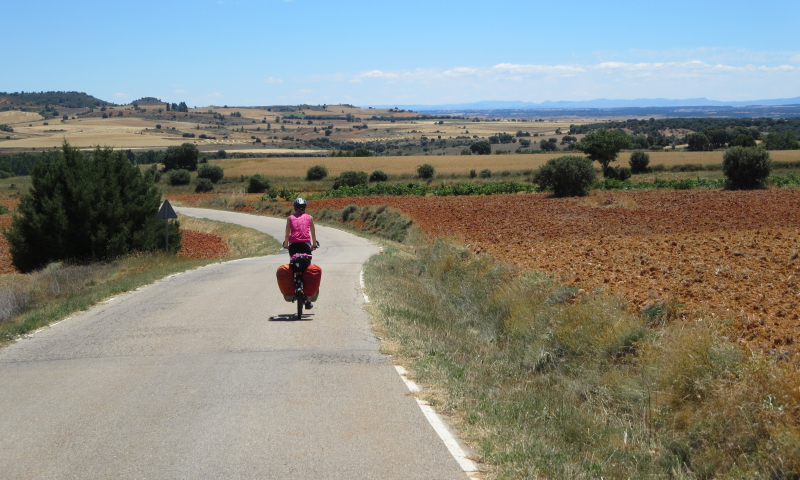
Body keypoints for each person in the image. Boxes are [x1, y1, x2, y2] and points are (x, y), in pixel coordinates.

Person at [283, 198, 318, 309]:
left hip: (293, 245)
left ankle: (293, 288)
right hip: (306, 245)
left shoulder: (290, 218)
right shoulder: (310, 218)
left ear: (294, 208)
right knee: (307, 269)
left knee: (293, 264)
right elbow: (313, 233)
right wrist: (314, 244)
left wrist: (286, 245)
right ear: (305, 208)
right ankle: (308, 300)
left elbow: (287, 233)